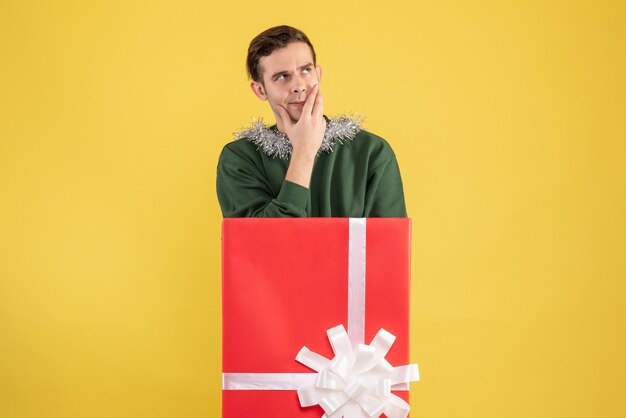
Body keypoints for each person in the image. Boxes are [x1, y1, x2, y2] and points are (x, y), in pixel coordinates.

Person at [216, 25, 407, 217]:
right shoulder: (239, 160)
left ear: (319, 75)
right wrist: (303, 153)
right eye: (282, 77)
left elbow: (388, 243)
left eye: (306, 70)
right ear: (260, 90)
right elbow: (262, 244)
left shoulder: (372, 152)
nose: (298, 86)